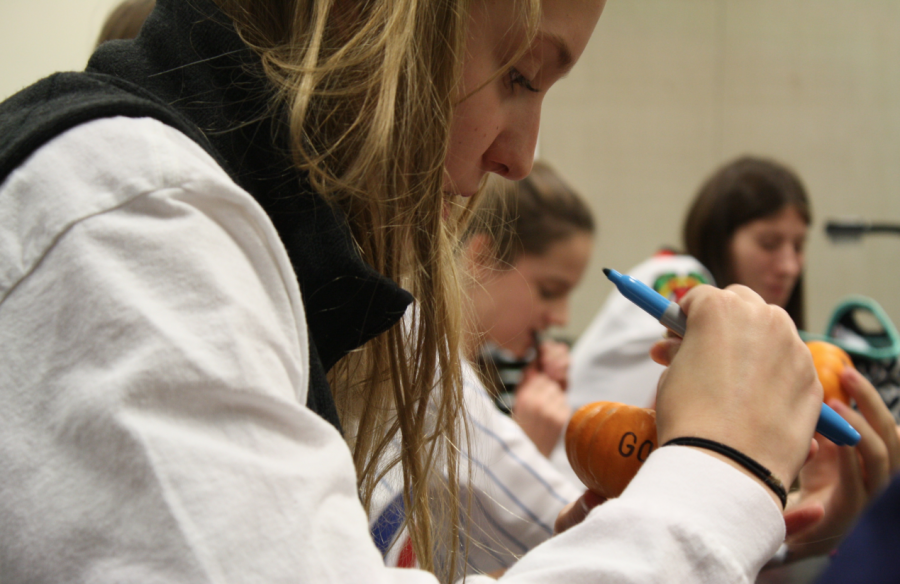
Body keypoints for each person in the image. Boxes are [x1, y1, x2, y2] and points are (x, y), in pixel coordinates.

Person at [0, 2, 851, 583]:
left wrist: (735, 509)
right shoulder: (127, 221)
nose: (520, 156)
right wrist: (724, 471)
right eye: (519, 74)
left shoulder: (276, 252)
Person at [371, 162, 591, 575]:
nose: (561, 317)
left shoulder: (498, 375)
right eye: (550, 290)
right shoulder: (412, 357)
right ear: (483, 255)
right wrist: (526, 447)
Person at [568, 155, 810, 410]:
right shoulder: (682, 277)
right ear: (719, 238)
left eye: (799, 246)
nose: (790, 267)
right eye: (768, 244)